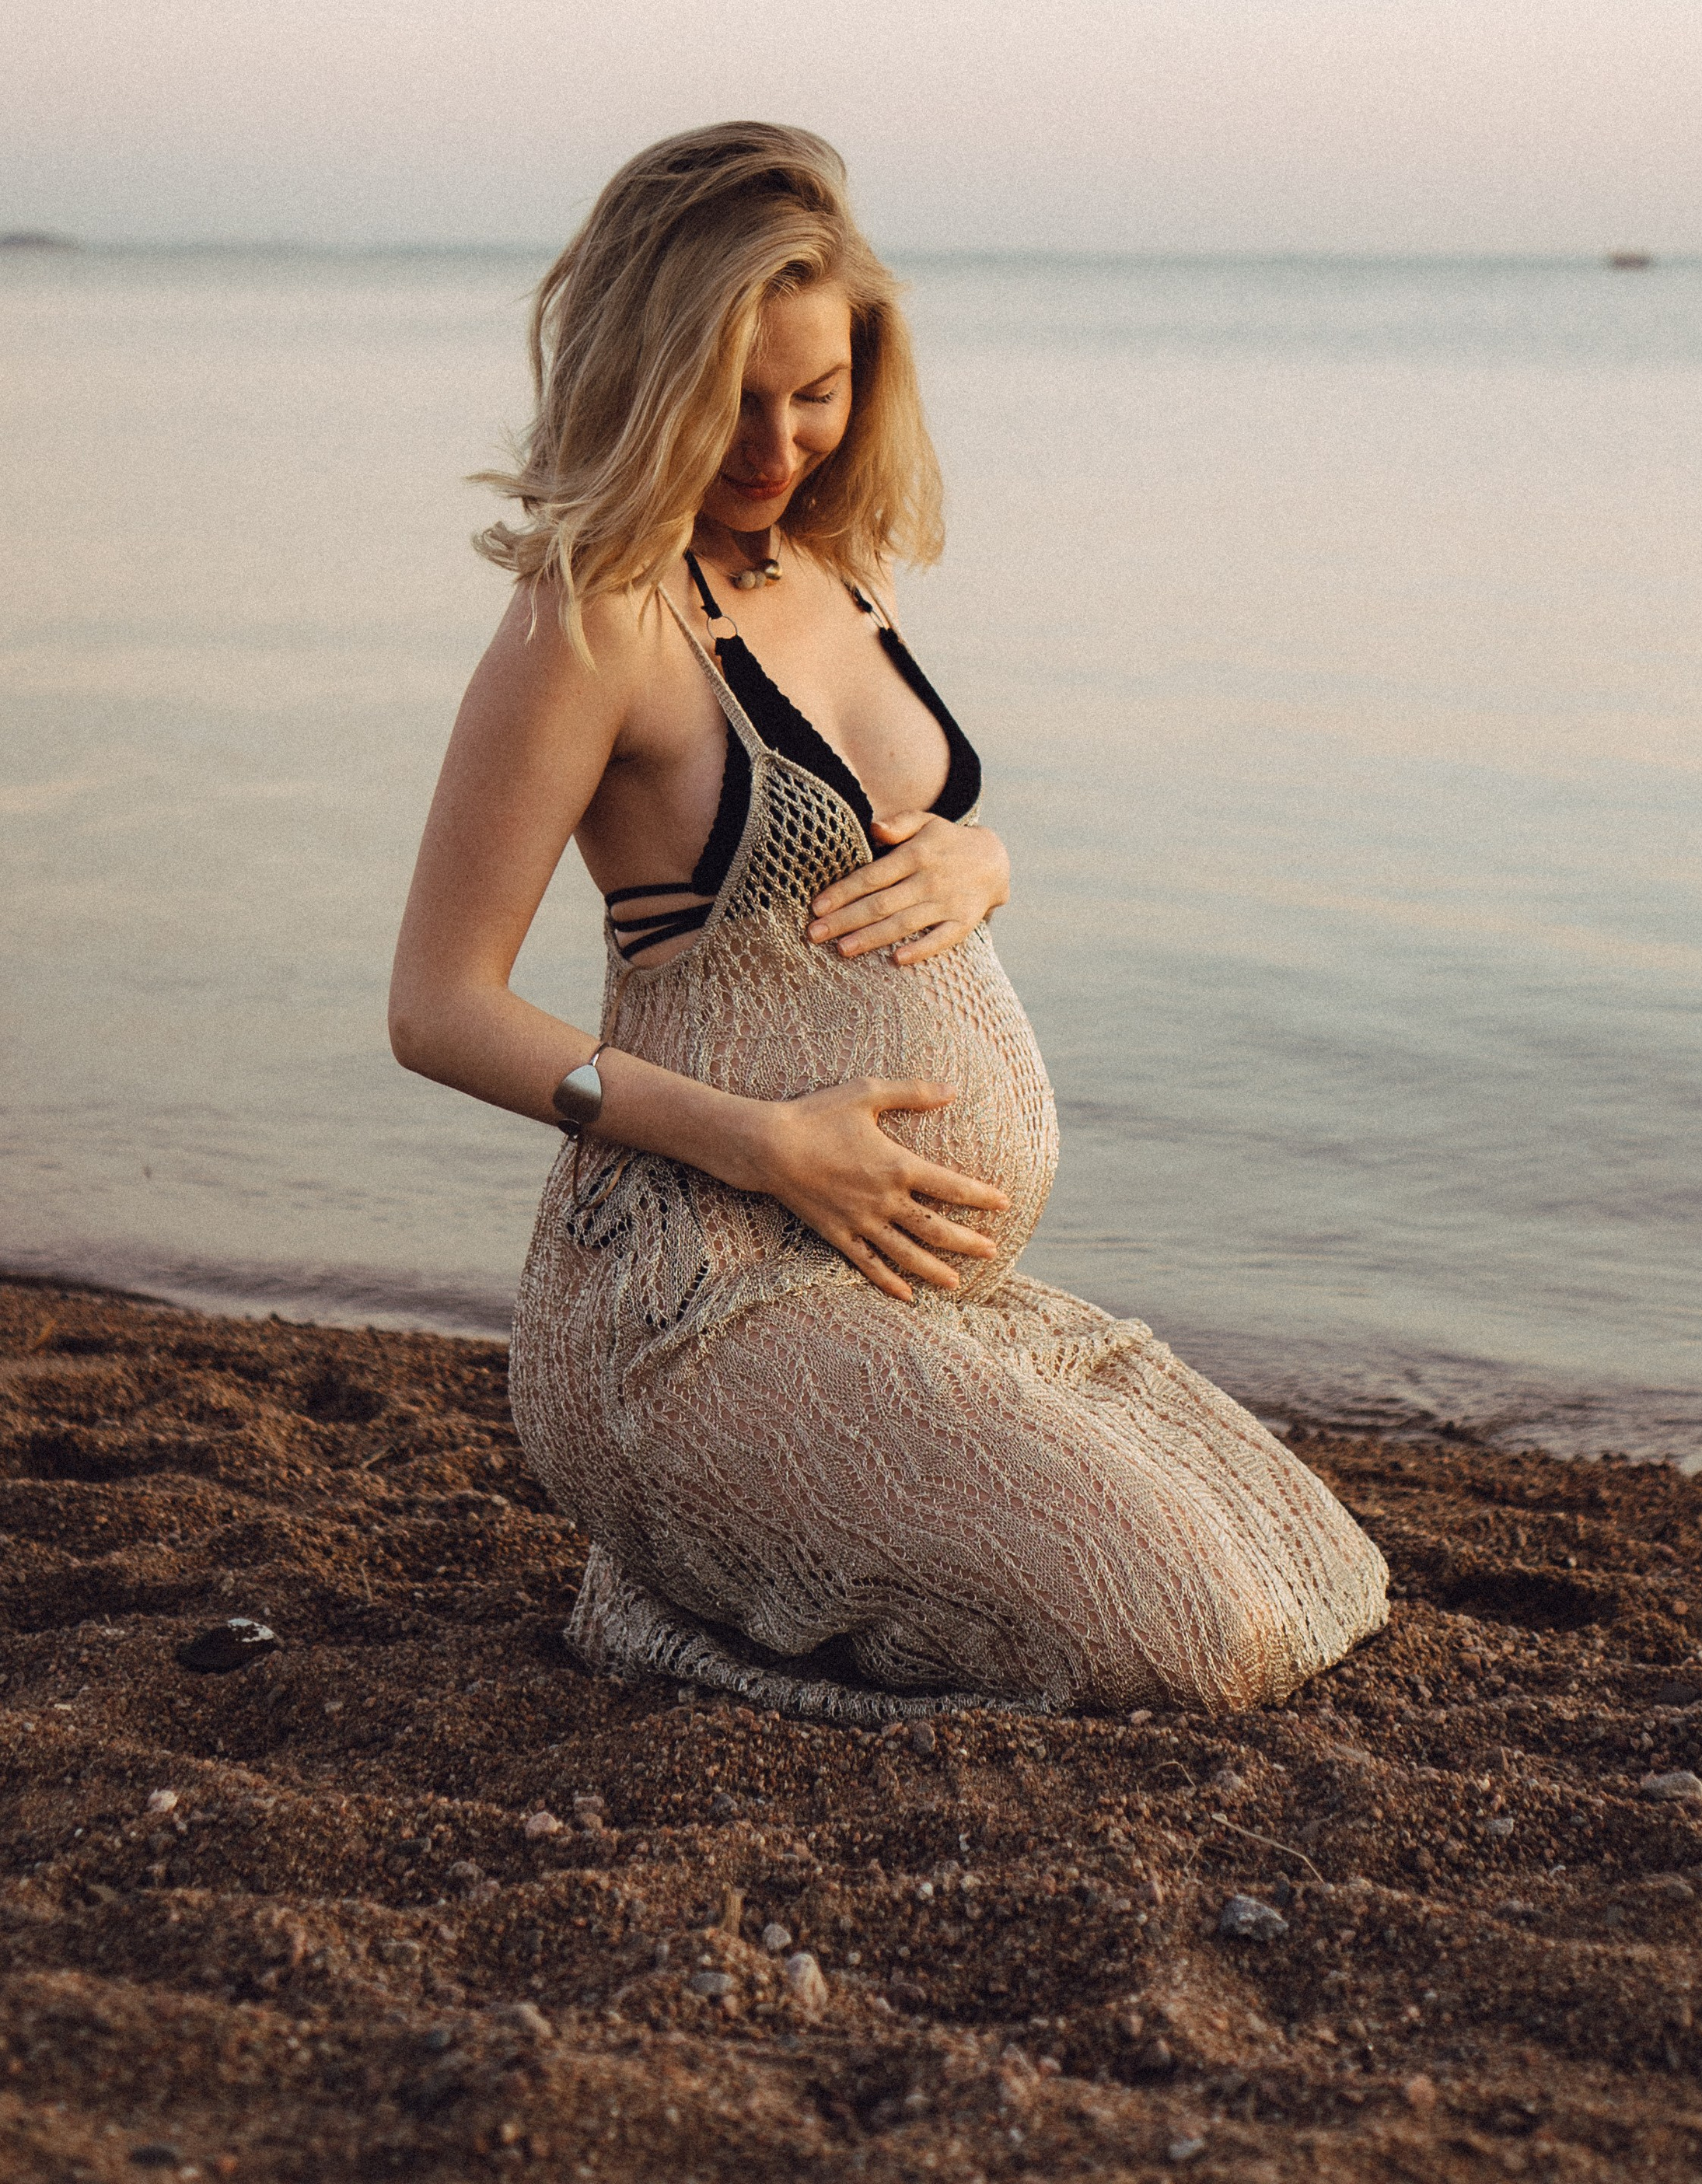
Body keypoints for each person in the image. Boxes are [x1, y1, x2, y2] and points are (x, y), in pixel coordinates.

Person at [390, 123, 1387, 1717]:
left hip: (894, 1287)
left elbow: (889, 828)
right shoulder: (591, 623)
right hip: (691, 1300)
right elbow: (437, 1006)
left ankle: (753, 1561)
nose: (777, 441)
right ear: (647, 372)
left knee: (1310, 1576)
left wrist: (984, 861)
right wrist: (760, 1145)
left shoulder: (838, 569)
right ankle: (656, 1612)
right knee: (1186, 1648)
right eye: (733, 395)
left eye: (819, 388)